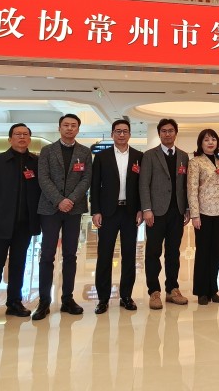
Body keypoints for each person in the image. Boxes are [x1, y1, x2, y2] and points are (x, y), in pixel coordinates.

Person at [0, 123, 42, 324]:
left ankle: (14, 302)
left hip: (24, 224)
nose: (21, 137)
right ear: (10, 139)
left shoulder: (36, 162)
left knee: (18, 264)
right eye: (17, 134)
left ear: (29, 139)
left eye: (25, 134)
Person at [32, 114, 92, 320]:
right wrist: (59, 200)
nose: (69, 128)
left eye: (73, 125)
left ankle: (67, 298)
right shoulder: (47, 150)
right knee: (47, 254)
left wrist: (70, 200)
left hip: (74, 209)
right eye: (66, 125)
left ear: (78, 129)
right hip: (50, 209)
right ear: (59, 128)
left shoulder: (85, 152)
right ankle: (44, 301)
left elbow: (86, 179)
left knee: (70, 254)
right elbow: (43, 178)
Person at [91, 119, 144, 313]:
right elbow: (95, 185)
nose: (122, 134)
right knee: (104, 255)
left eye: (125, 131)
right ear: (112, 134)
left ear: (130, 134)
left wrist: (141, 209)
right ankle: (103, 298)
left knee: (129, 255)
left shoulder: (139, 156)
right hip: (108, 212)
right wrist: (95, 210)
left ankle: (126, 296)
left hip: (130, 212)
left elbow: (141, 186)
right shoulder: (101, 156)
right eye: (118, 131)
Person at [139, 118, 190, 309]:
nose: (167, 134)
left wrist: (187, 208)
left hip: (177, 212)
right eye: (164, 131)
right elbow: (144, 184)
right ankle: (154, 291)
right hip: (156, 212)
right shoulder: (149, 155)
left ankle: (172, 289)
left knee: (173, 252)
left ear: (176, 133)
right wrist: (147, 209)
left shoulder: (183, 156)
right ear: (159, 133)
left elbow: (185, 185)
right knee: (153, 252)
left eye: (170, 131)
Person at [188, 129, 219, 305]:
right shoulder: (195, 162)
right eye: (206, 140)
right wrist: (195, 215)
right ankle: (201, 291)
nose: (210, 142)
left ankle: (213, 289)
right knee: (203, 252)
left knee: (215, 252)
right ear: (201, 143)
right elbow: (192, 190)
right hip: (203, 212)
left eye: (213, 139)